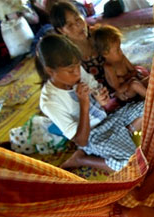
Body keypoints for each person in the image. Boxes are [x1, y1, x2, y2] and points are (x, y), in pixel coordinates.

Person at [35, 33, 143, 172]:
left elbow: (93, 85)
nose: (77, 73)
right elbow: (81, 140)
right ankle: (82, 159)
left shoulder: (75, 69)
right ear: (50, 71)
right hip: (94, 135)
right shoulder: (50, 101)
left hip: (110, 118)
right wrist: (84, 103)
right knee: (135, 165)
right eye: (70, 71)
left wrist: (100, 96)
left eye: (77, 67)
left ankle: (126, 131)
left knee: (153, 108)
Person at [93, 24, 149, 102]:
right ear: (105, 53)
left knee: (151, 78)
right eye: (117, 50)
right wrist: (130, 79)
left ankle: (148, 93)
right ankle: (152, 100)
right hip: (127, 93)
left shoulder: (122, 57)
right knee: (135, 85)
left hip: (135, 82)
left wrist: (126, 78)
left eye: (120, 48)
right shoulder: (109, 67)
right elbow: (118, 89)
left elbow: (134, 71)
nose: (121, 52)